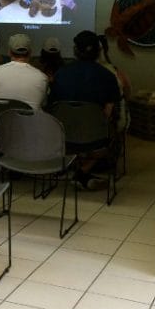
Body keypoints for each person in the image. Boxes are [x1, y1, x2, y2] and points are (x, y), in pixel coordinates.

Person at [49, 30, 121, 190]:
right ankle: (83, 171)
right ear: (99, 51)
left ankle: (77, 169)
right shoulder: (108, 76)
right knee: (114, 131)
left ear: (75, 50)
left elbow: (53, 107)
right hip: (95, 137)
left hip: (63, 136)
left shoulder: (60, 74)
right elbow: (108, 112)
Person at [0, 33, 48, 110]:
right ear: (30, 53)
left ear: (9, 52)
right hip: (30, 121)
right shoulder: (42, 78)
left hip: (1, 121)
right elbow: (44, 104)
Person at [98, 34, 132, 133]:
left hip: (98, 124)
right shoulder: (117, 72)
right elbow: (128, 93)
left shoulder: (87, 74)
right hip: (115, 123)